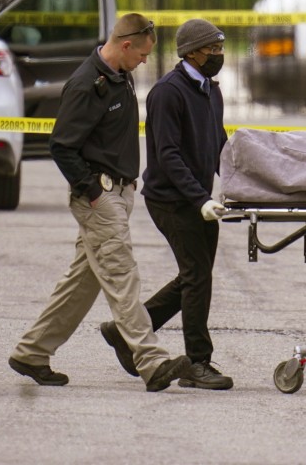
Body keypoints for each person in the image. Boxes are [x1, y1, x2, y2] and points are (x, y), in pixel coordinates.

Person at [9, 14, 192, 392]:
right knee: (123, 276)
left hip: (117, 194)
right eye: (141, 54)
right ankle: (151, 361)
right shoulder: (85, 85)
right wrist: (91, 191)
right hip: (100, 198)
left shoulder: (120, 75)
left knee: (82, 283)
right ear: (125, 45)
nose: (144, 61)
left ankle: (31, 352)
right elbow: (61, 146)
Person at [99, 19, 232, 390]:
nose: (218, 55)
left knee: (195, 275)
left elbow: (219, 145)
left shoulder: (211, 91)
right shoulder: (167, 93)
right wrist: (200, 198)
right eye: (212, 49)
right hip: (171, 200)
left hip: (197, 198)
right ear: (191, 52)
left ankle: (126, 332)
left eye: (220, 48)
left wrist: (242, 184)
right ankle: (198, 362)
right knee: (197, 277)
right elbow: (168, 156)